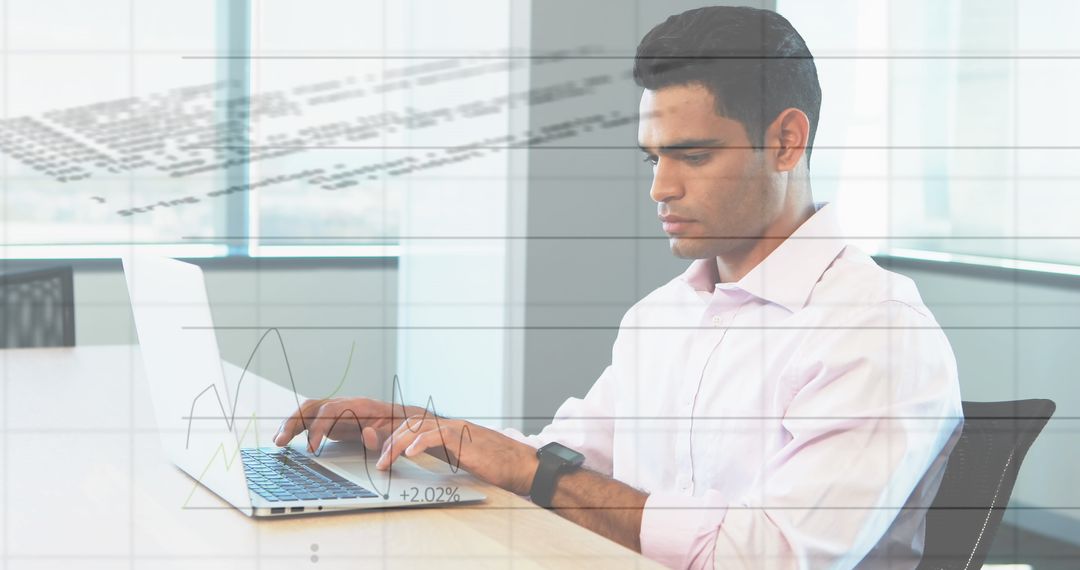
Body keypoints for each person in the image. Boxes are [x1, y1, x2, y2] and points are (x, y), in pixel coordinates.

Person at [274, 6, 962, 569]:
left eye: (693, 155)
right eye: (653, 158)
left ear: (785, 142)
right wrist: (423, 436)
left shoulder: (877, 331)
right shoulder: (659, 319)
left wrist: (528, 469)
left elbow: (765, 556)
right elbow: (571, 462)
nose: (661, 187)